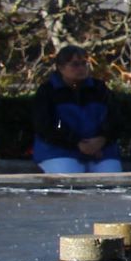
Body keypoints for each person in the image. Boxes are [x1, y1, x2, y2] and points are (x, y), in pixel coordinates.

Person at [32, 45, 123, 173]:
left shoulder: (100, 89)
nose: (81, 68)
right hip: (58, 150)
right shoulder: (48, 91)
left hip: (101, 149)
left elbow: (115, 119)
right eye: (74, 65)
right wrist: (76, 143)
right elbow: (45, 126)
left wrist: (103, 138)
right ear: (61, 68)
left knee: (112, 180)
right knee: (68, 178)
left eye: (84, 64)